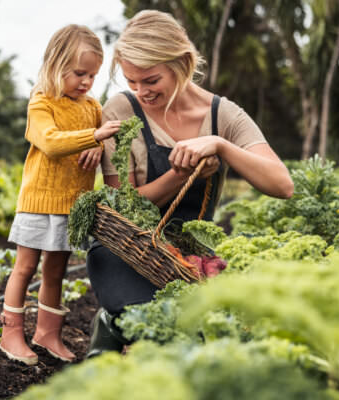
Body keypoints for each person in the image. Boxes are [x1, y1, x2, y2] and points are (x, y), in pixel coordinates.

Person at [86, 9, 294, 357]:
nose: (141, 91)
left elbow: (282, 185)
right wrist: (178, 175)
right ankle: (112, 323)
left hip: (189, 255)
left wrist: (221, 145)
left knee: (210, 331)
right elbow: (122, 208)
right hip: (127, 247)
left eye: (151, 80)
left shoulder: (222, 115)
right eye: (132, 81)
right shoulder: (121, 110)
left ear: (181, 63)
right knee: (154, 322)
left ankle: (115, 327)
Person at [0, 24, 122, 366]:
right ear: (56, 65)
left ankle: (47, 334)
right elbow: (52, 143)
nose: (85, 82)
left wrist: (98, 146)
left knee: (57, 272)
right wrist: (94, 137)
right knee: (25, 267)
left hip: (73, 206)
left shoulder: (92, 106)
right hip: (39, 202)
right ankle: (11, 334)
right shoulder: (42, 103)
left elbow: (101, 142)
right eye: (79, 73)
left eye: (92, 75)